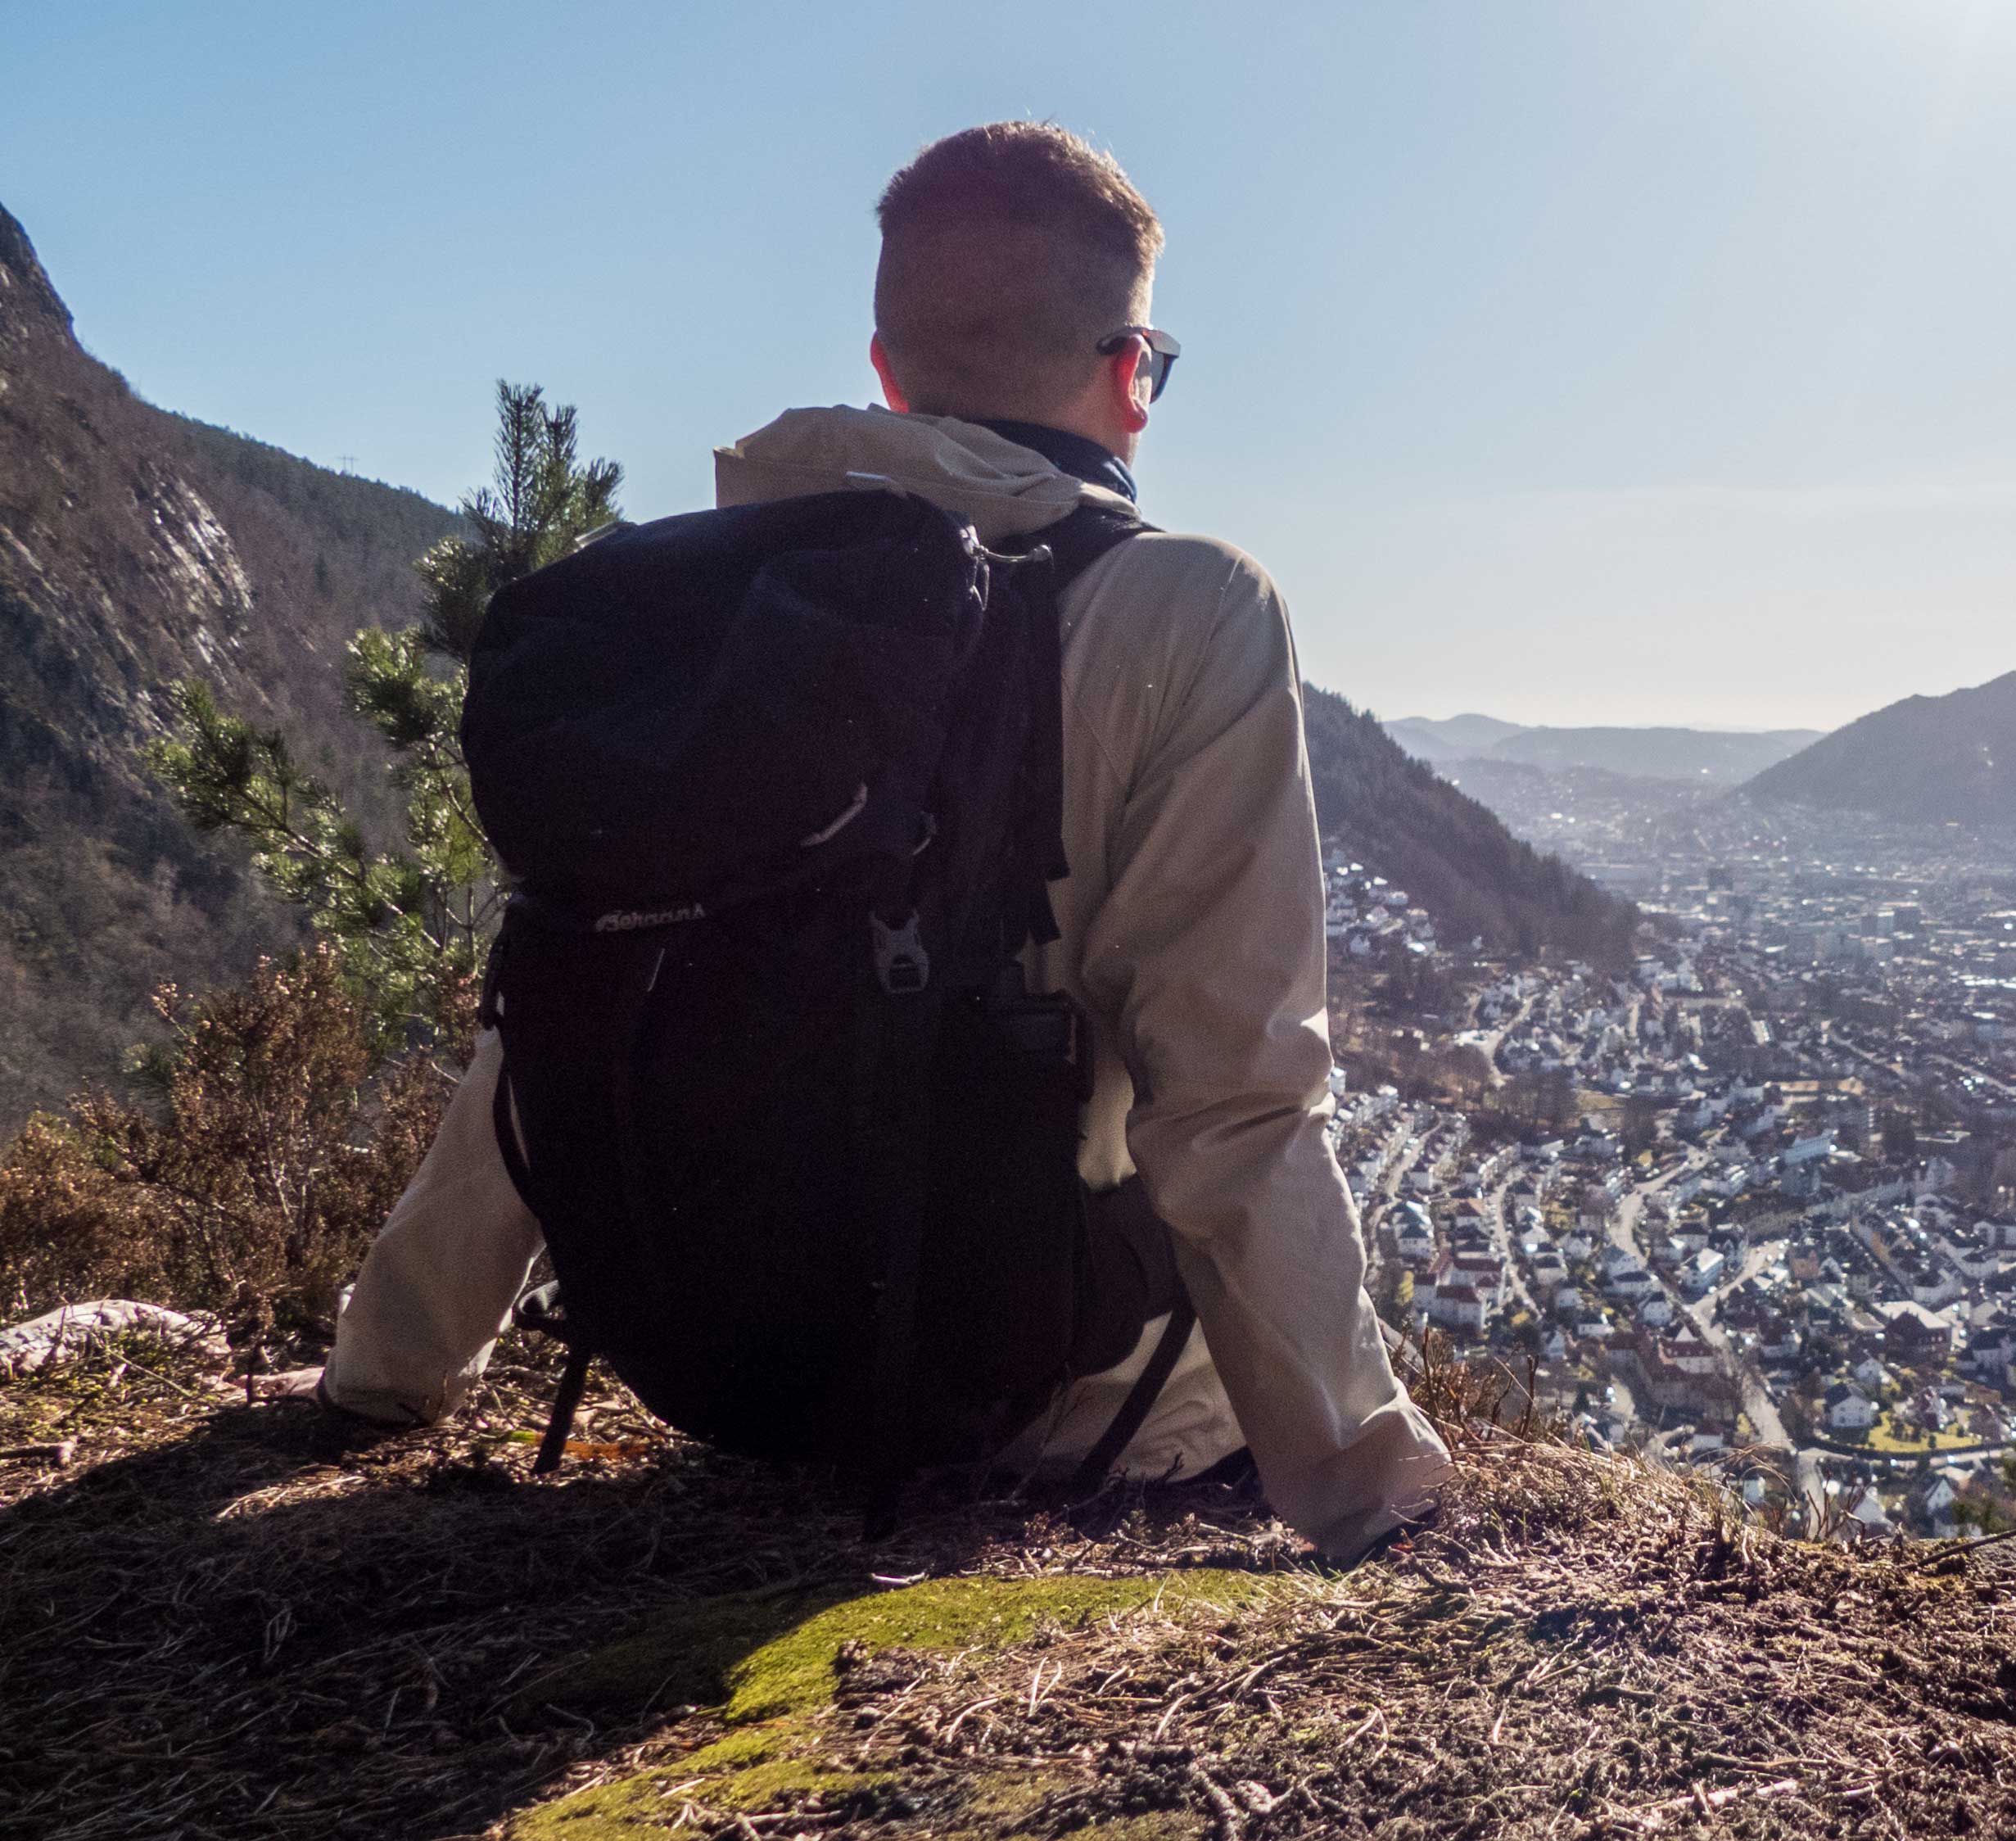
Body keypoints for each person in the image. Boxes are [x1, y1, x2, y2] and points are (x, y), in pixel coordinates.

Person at [309, 121, 1449, 1563]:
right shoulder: (1187, 609)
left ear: (888, 373)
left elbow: (546, 1016)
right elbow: (1235, 1092)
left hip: (717, 1372)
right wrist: (1373, 1498)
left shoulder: (685, 617)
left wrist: (385, 1376)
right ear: (1130, 374)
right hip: (1037, 1399)